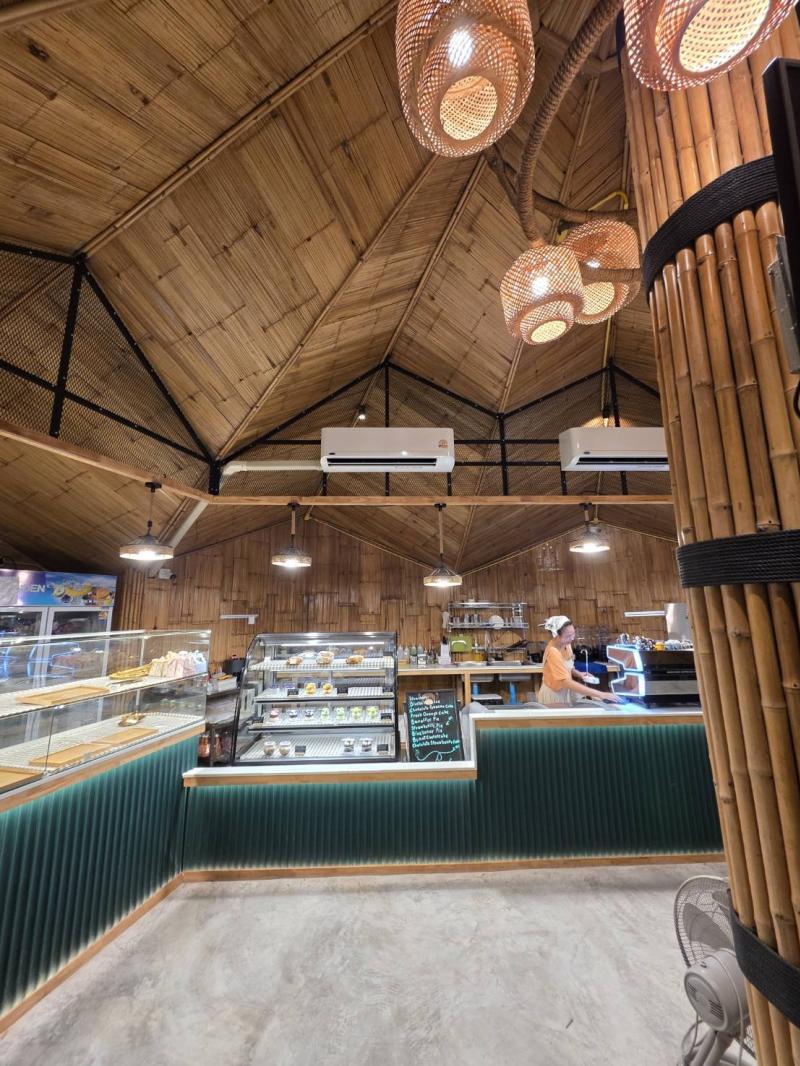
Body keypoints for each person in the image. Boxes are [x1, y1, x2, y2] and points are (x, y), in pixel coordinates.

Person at [537, 615, 622, 707]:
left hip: (565, 692)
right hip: (554, 695)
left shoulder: (566, 645)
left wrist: (579, 674)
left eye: (573, 634)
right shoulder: (553, 652)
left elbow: (568, 667)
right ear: (556, 635)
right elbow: (565, 682)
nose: (572, 638)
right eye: (568, 636)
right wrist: (600, 694)